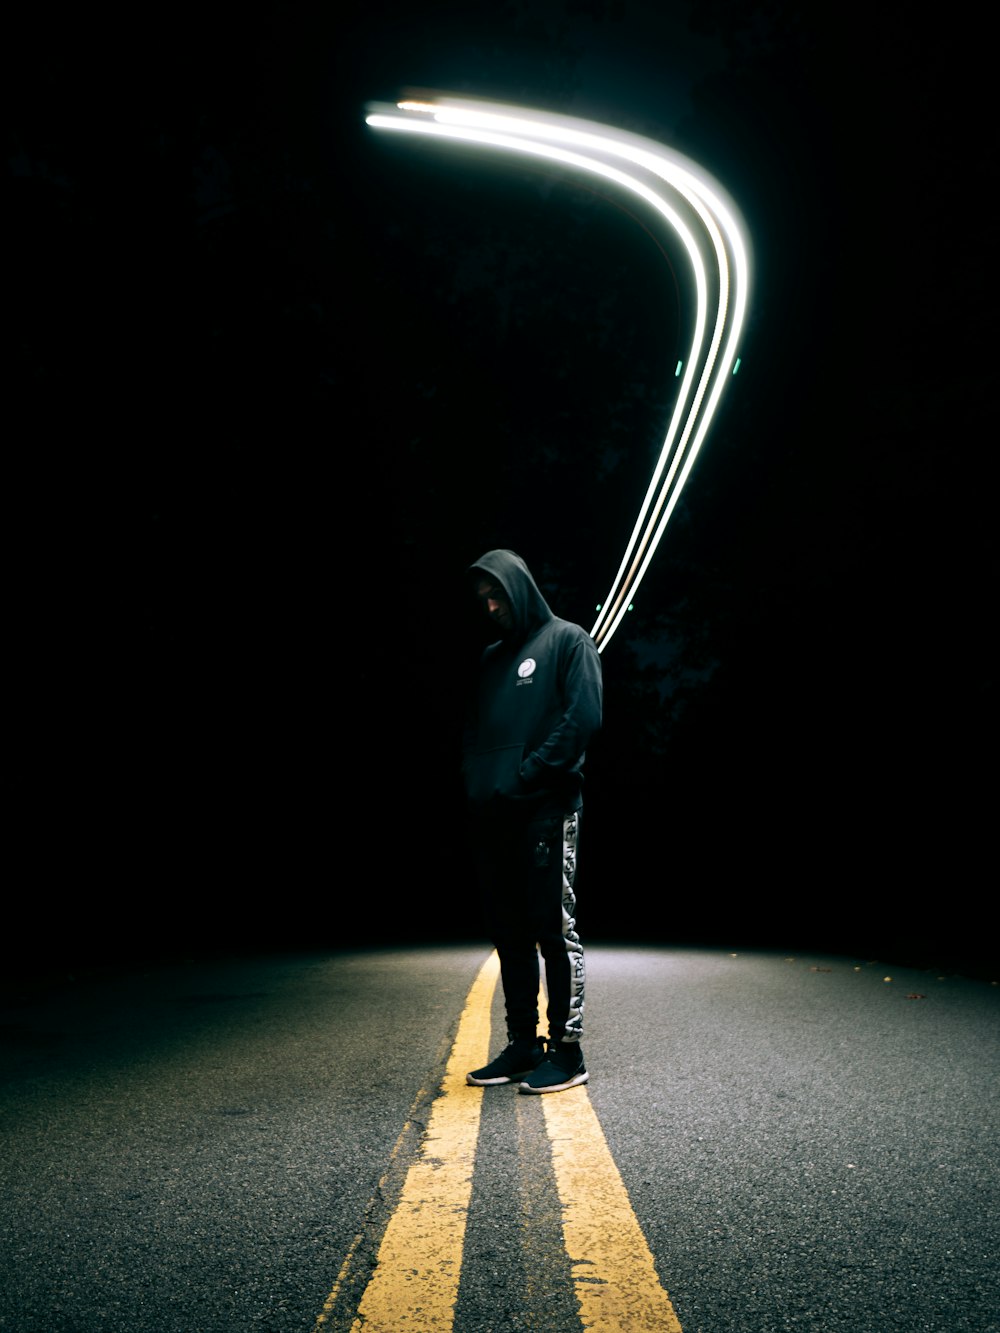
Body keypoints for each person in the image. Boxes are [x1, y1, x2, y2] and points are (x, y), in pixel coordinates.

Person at [462, 549, 602, 1094]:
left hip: (548, 806)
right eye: (483, 600)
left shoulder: (569, 641)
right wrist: (477, 784)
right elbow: (474, 732)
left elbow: (583, 718)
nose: (492, 606)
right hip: (493, 813)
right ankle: (523, 1044)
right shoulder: (492, 658)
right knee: (508, 933)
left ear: (520, 588)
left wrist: (527, 775)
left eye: (498, 594)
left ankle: (567, 1053)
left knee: (553, 928)